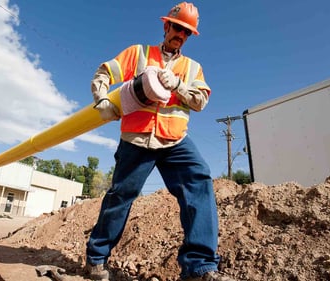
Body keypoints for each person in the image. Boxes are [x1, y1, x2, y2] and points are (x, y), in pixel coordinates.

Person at [86, 2, 234, 281]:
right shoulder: (139, 54)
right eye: (177, 27)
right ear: (166, 26)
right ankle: (96, 259)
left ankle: (200, 267)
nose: (180, 34)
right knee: (120, 197)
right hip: (137, 139)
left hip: (175, 141)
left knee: (199, 183)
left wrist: (178, 85)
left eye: (187, 32)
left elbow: (201, 101)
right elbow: (104, 73)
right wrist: (102, 99)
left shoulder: (192, 68)